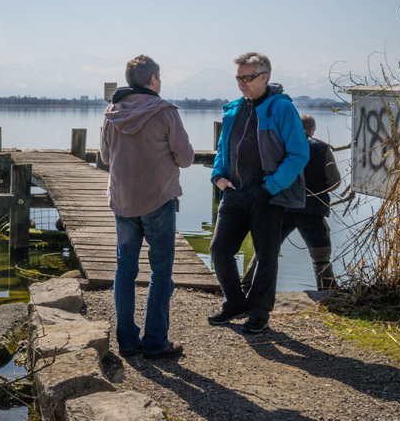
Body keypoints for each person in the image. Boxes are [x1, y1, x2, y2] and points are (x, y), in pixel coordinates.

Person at [100, 55, 195, 359]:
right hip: (158, 200)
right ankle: (156, 342)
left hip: (123, 201)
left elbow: (104, 157)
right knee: (160, 270)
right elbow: (186, 158)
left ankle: (127, 342)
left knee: (125, 270)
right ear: (153, 79)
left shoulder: (111, 112)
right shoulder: (164, 112)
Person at [209, 52, 309, 334]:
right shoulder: (233, 109)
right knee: (219, 249)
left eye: (247, 77)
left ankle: (259, 311)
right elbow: (222, 149)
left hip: (267, 193)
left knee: (265, 255)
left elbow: (299, 154)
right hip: (234, 192)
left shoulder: (281, 108)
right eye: (238, 77)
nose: (241, 83)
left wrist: (271, 186)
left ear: (264, 77)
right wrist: (217, 176)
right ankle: (235, 304)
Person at [241, 114, 341, 290]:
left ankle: (247, 286)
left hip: (282, 207)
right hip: (312, 209)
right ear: (312, 130)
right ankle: (327, 291)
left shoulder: (280, 147)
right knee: (321, 255)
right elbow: (334, 182)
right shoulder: (322, 148)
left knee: (265, 250)